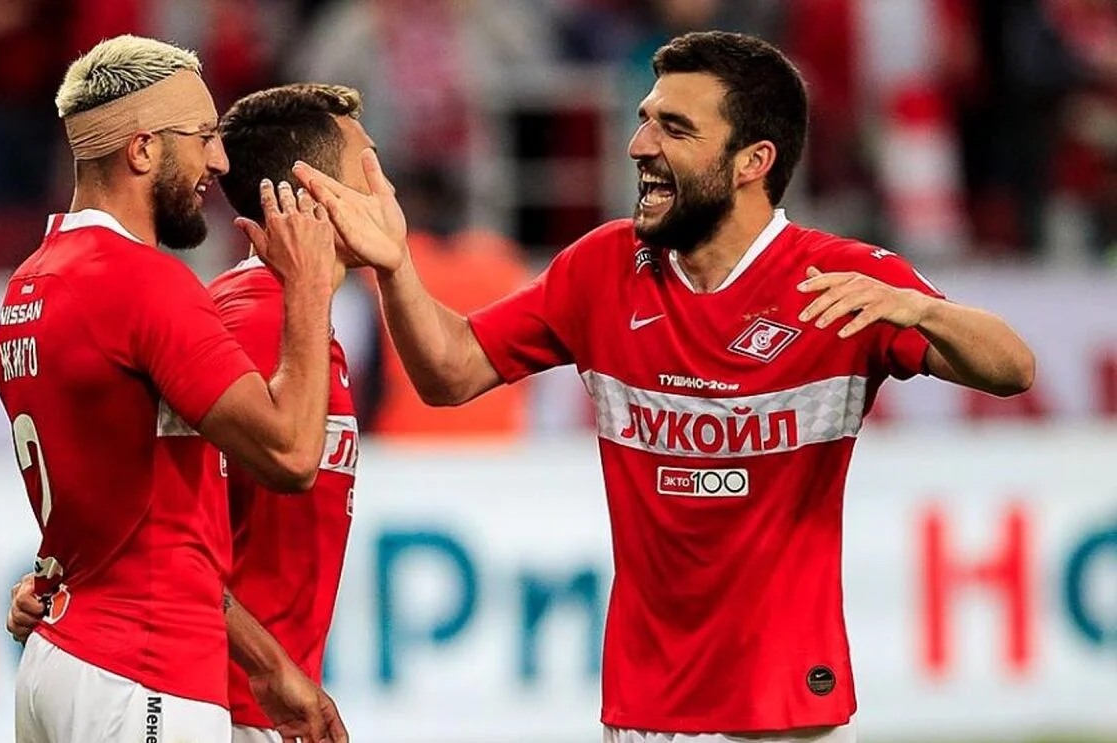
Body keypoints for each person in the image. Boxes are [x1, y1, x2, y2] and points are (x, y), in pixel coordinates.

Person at [294, 30, 1036, 743]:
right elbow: (449, 373)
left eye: (674, 129)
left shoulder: (839, 280)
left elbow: (1012, 370)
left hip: (785, 711)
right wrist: (394, 267)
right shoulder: (601, 268)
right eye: (646, 119)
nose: (638, 145)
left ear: (752, 161)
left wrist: (922, 309)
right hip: (643, 708)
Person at [0, 36, 343, 743]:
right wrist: (307, 288)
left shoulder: (28, 286)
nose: (219, 161)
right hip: (143, 671)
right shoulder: (141, 283)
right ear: (144, 148)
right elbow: (291, 454)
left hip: (61, 655)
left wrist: (267, 666)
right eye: (204, 137)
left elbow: (124, 505)